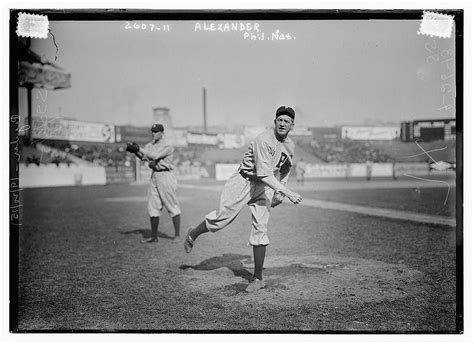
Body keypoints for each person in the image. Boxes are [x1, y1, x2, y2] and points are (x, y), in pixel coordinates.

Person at [183, 106, 303, 292]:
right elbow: (264, 174)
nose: (282, 123)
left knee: (260, 228)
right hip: (243, 181)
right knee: (222, 220)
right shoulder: (264, 139)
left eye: (286, 121)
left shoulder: (290, 145)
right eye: (279, 119)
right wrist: (286, 192)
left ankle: (257, 279)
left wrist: (280, 189)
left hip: (264, 187)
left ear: (292, 125)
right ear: (274, 122)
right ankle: (193, 233)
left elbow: (286, 167)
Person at [134, 124, 181, 243]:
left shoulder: (167, 145)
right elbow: (145, 158)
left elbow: (154, 156)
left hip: (166, 175)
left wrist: (139, 149)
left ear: (162, 133)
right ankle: (154, 236)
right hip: (155, 175)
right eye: (152, 131)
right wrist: (136, 152)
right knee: (153, 206)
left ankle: (177, 235)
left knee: (172, 205)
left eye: (156, 131)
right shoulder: (149, 145)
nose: (153, 133)